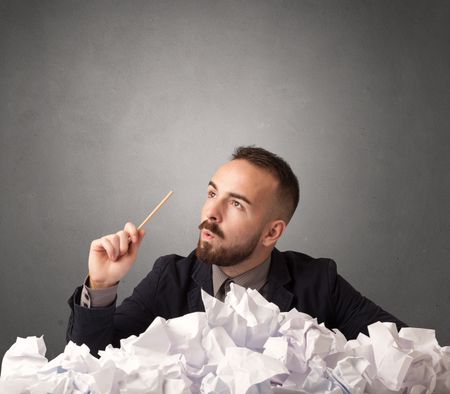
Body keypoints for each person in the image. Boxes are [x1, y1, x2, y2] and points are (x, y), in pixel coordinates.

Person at [67, 146, 406, 355]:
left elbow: (408, 351)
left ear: (272, 232)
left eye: (236, 204)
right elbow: (90, 362)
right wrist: (101, 286)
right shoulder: (169, 279)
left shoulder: (318, 283)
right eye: (212, 194)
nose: (211, 213)